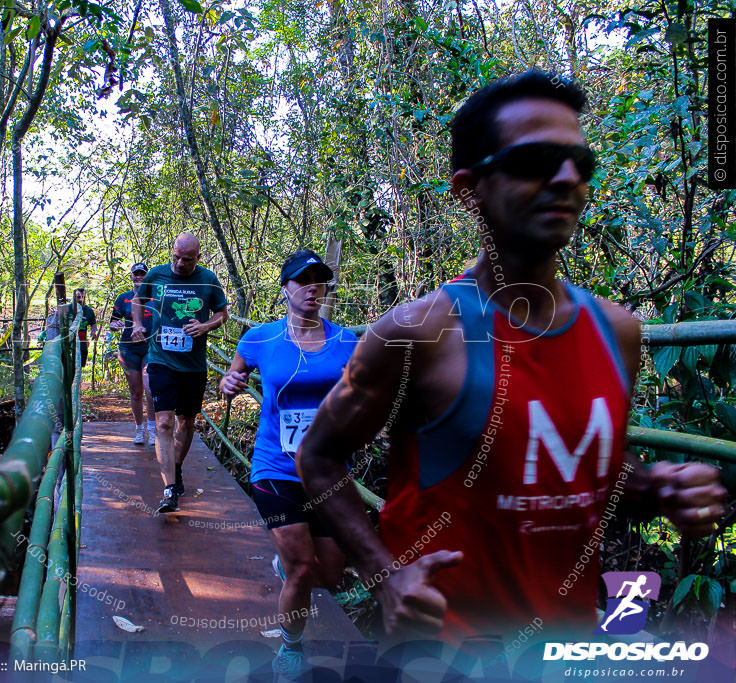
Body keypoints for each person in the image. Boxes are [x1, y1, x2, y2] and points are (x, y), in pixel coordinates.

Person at [296, 71, 726, 647]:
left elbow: (586, 467)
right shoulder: (418, 333)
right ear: (470, 187)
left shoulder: (617, 331)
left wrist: (659, 488)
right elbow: (319, 456)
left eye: (581, 161)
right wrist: (387, 577)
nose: (568, 178)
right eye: (536, 160)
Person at [220, 249, 357, 677]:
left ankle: (285, 561)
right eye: (304, 280)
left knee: (330, 575)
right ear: (286, 289)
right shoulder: (260, 338)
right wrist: (229, 382)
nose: (314, 287)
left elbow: (364, 395)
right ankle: (290, 647)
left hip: (329, 470)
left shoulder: (346, 340)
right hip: (275, 468)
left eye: (320, 279)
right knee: (302, 569)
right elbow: (233, 376)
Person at [131, 233, 228, 513]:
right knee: (163, 423)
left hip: (193, 365)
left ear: (198, 257)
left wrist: (205, 326)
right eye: (176, 256)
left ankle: (176, 467)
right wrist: (138, 324)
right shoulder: (157, 275)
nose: (179, 263)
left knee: (186, 422)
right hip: (161, 360)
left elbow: (223, 313)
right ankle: (169, 489)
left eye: (186, 259)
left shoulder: (208, 279)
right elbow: (138, 300)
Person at [110, 262, 157, 445]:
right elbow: (113, 323)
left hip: (150, 348)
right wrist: (115, 325)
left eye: (142, 274)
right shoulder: (123, 299)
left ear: (147, 277)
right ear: (131, 276)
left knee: (150, 389)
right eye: (136, 274)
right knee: (136, 392)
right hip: (128, 349)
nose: (139, 277)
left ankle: (152, 430)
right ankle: (139, 430)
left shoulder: (155, 297)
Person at [66, 288, 97, 367]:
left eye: (83, 297)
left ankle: (78, 379)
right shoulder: (67, 309)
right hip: (68, 342)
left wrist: (93, 332)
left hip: (82, 342)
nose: (81, 300)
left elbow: (93, 323)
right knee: (68, 365)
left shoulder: (88, 310)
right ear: (74, 297)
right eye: (78, 297)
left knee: (80, 366)